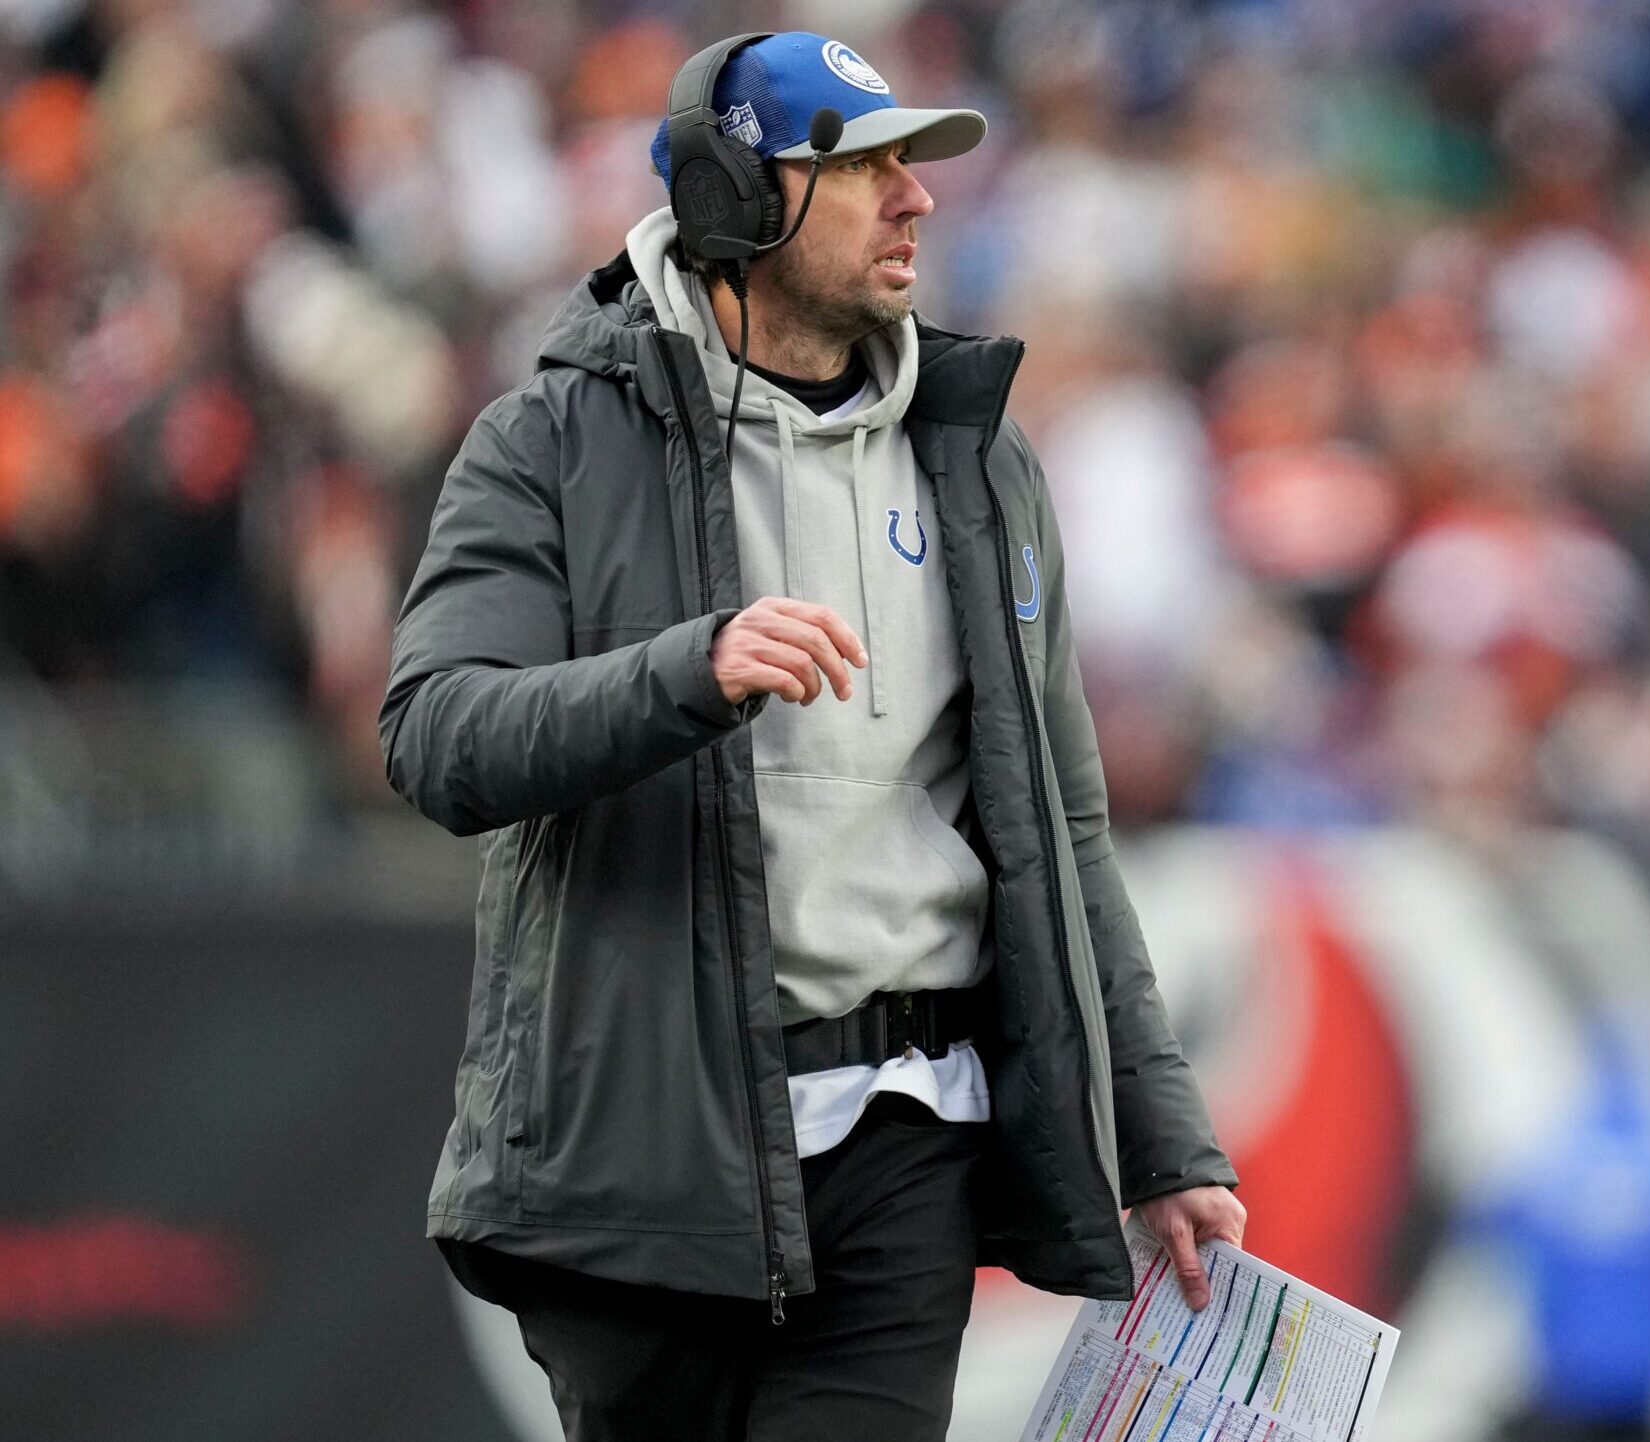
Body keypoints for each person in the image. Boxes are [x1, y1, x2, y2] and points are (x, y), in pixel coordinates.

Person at [377, 31, 1244, 1442]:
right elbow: (434, 737)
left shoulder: (980, 460)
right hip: (648, 1142)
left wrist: (1162, 1138)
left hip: (909, 1136)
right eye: (866, 166)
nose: (917, 199)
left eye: (915, 164)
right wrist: (685, 670)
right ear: (735, 198)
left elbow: (1062, 831)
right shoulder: (547, 441)